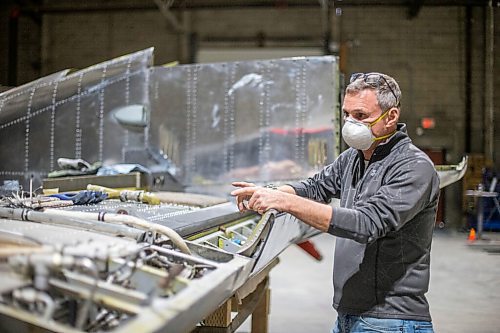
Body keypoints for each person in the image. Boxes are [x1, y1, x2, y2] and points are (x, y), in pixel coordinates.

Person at [231, 72, 439, 333]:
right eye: (347, 114)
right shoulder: (354, 158)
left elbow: (366, 223)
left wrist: (284, 201)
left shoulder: (413, 167)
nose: (351, 123)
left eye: (361, 116)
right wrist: (270, 191)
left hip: (390, 319)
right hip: (349, 314)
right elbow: (317, 187)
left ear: (391, 117)